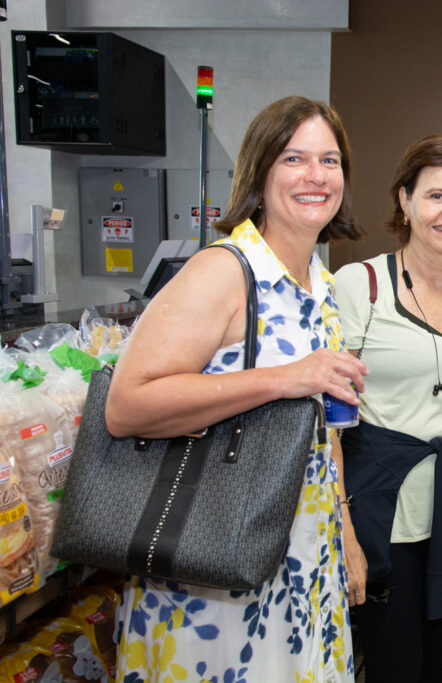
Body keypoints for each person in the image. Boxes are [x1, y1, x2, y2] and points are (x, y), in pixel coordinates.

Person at [106, 96, 367, 681]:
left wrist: (344, 532)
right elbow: (127, 406)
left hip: (303, 554)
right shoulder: (223, 270)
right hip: (214, 562)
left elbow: (324, 434)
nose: (315, 175)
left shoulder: (319, 287)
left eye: (330, 160)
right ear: (259, 171)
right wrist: (285, 378)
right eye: (294, 158)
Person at [333, 134, 442, 683]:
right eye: (436, 196)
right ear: (405, 200)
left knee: (433, 659)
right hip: (382, 511)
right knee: (392, 665)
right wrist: (343, 532)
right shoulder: (362, 285)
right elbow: (328, 419)